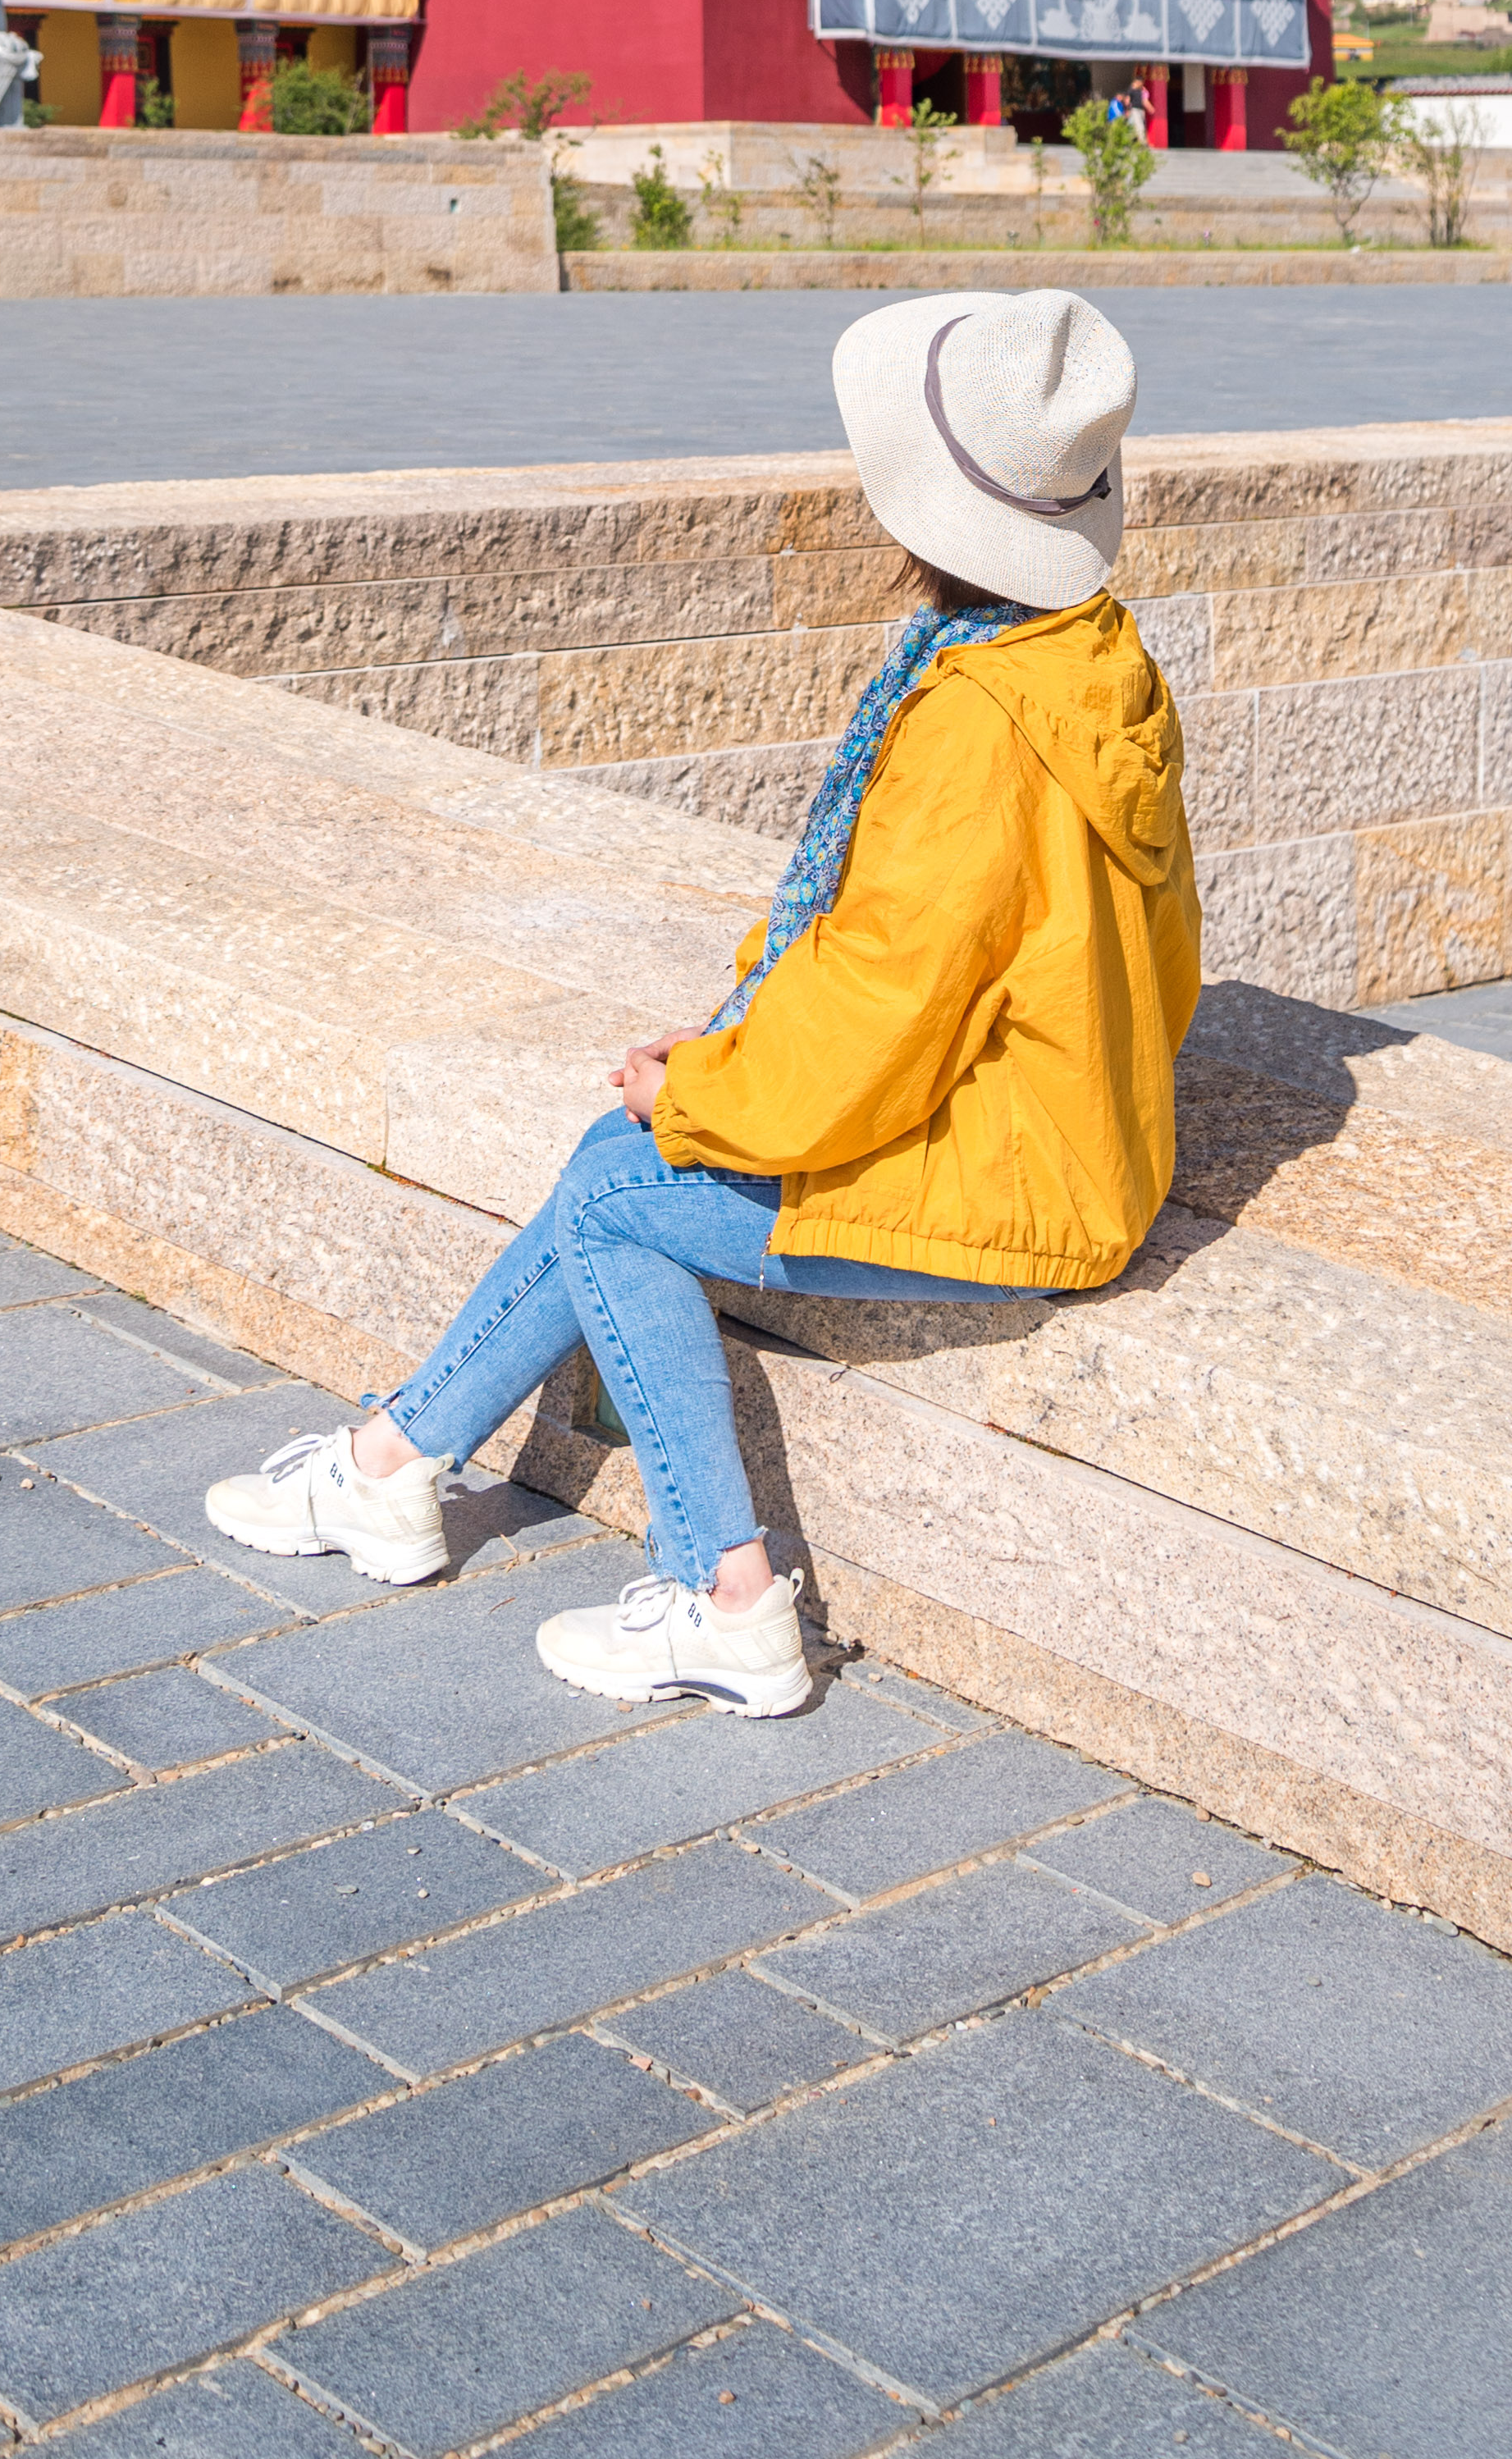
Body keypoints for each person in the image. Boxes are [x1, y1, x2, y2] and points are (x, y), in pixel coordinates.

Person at [208, 286, 1201, 1716]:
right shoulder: (1090, 664)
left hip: (1019, 1186)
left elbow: (885, 995)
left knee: (618, 1193)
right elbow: (1013, 961)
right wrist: (728, 1053)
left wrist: (706, 1091)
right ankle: (392, 1466)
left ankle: (726, 1601)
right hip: (1072, 1133)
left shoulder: (977, 721)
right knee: (619, 1154)